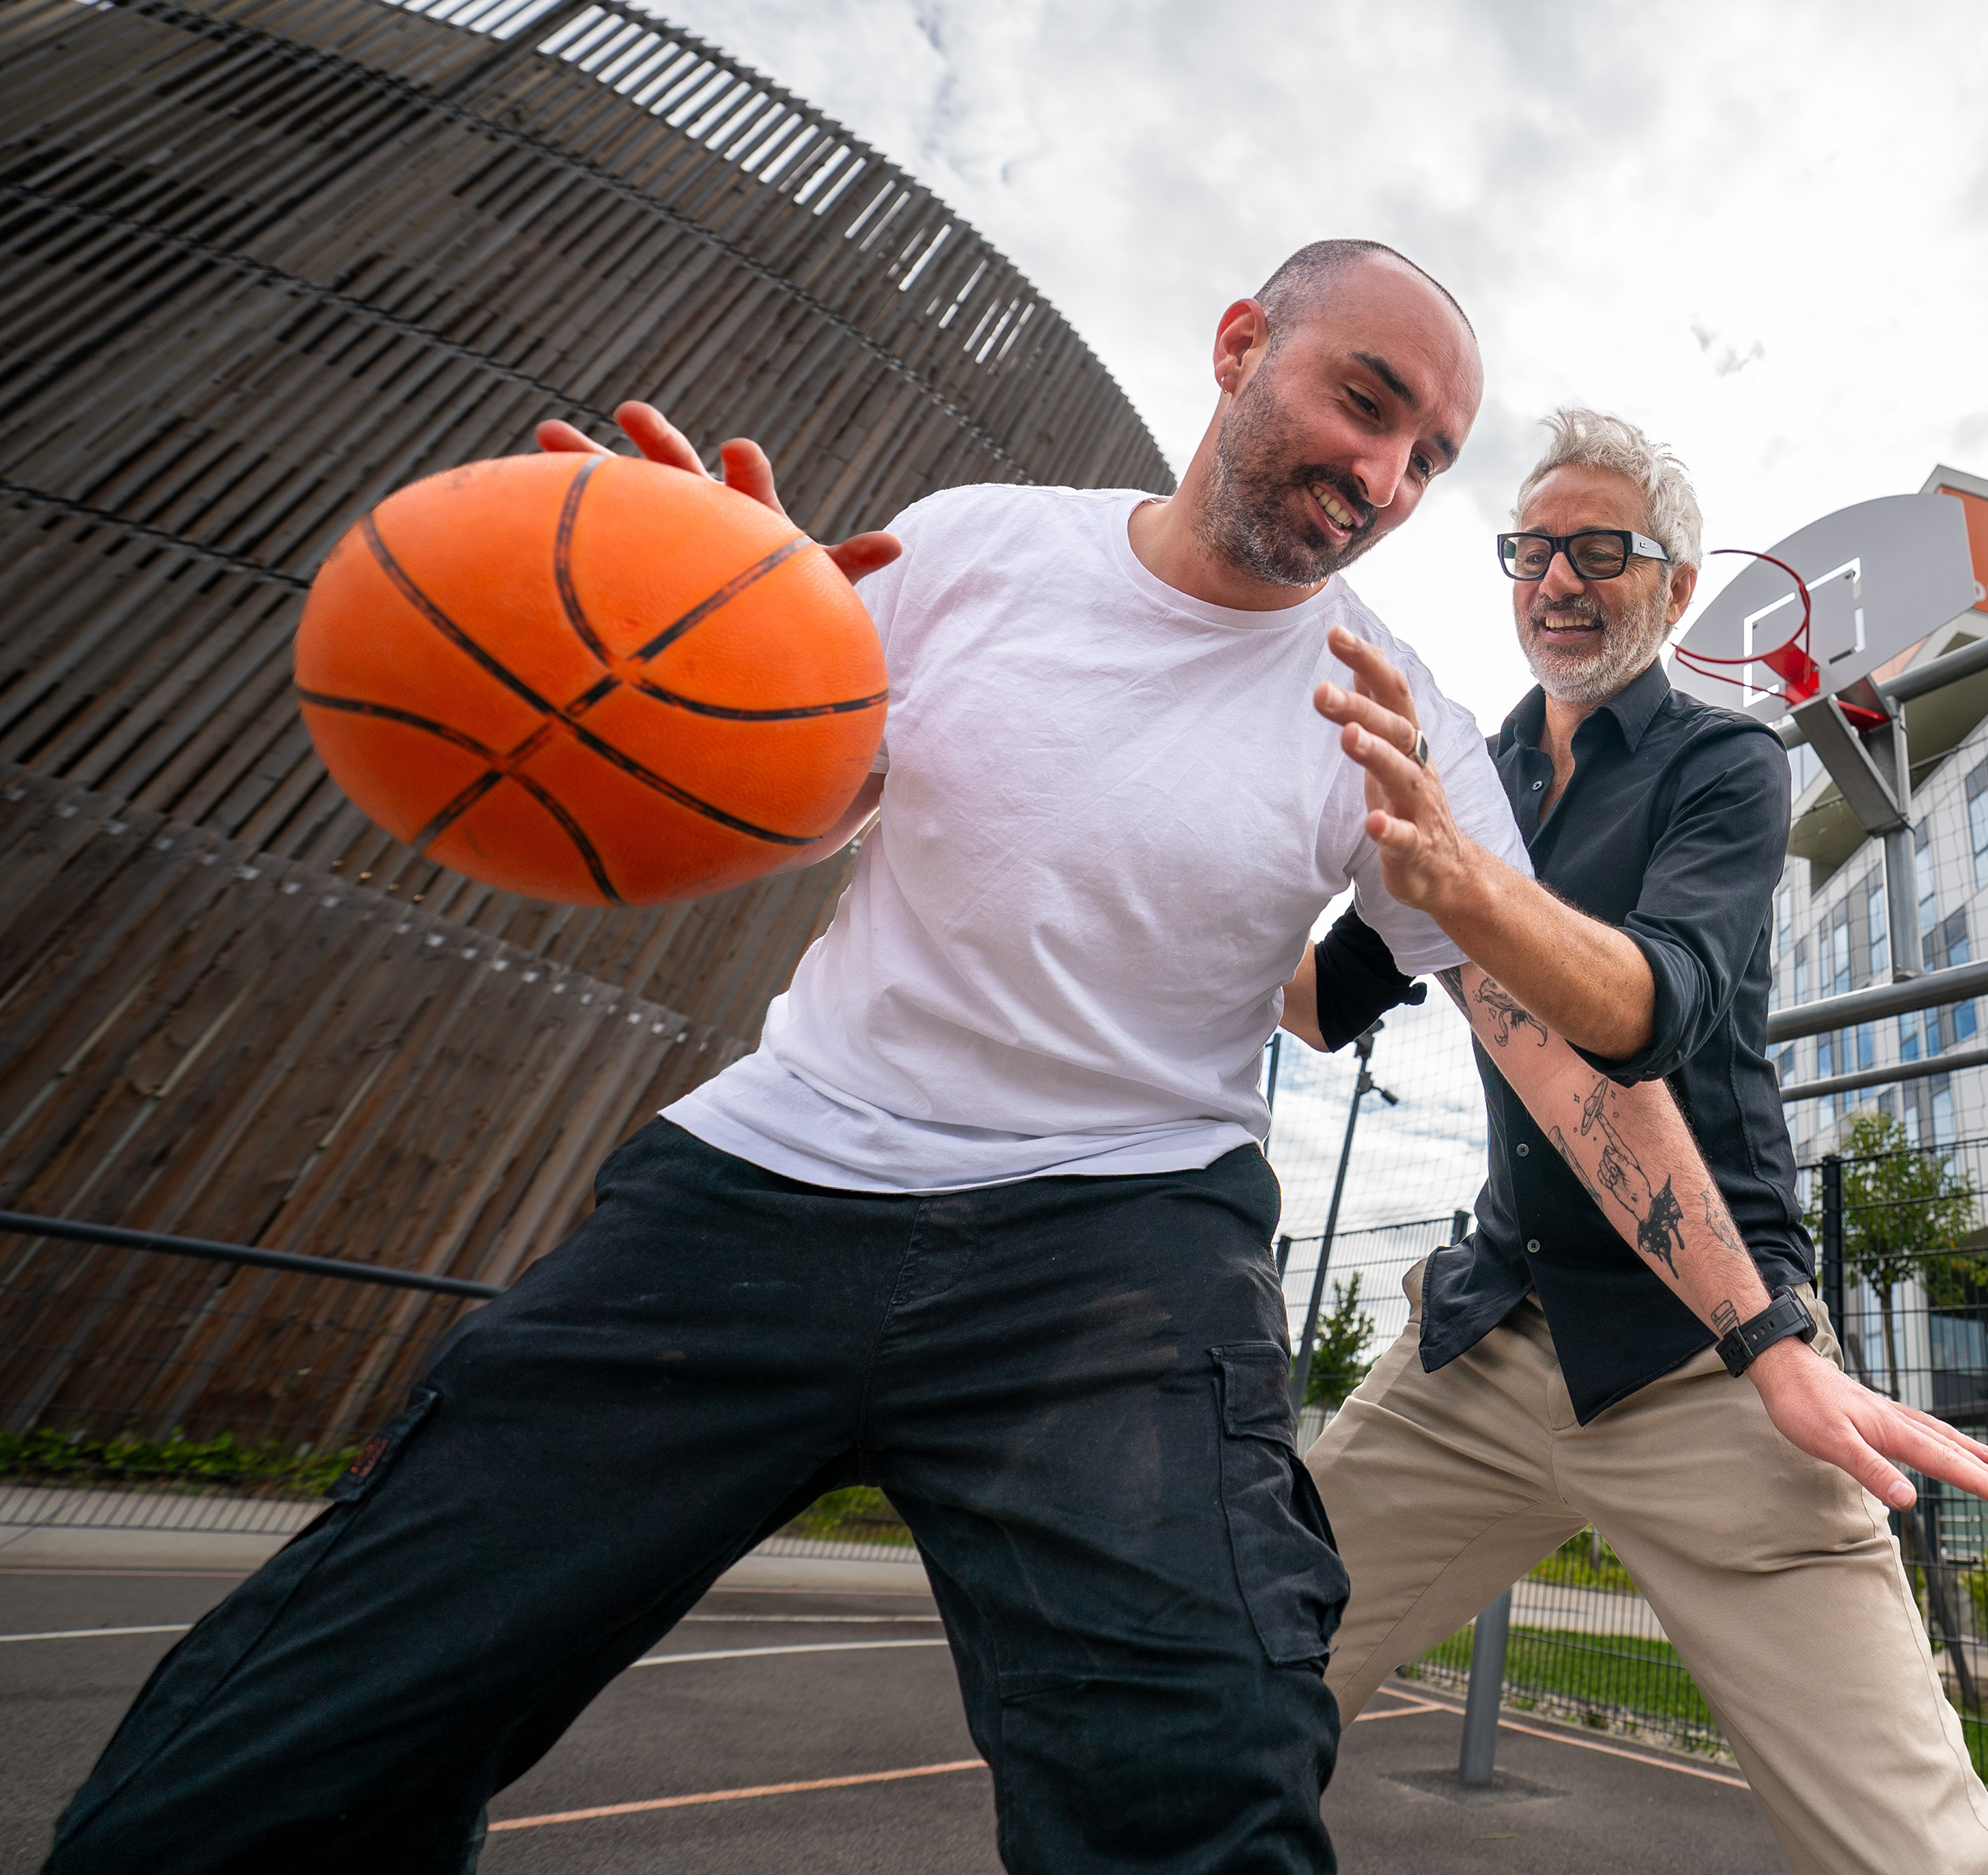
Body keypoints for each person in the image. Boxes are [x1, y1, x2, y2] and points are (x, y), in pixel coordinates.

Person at [48, 244, 1649, 1875]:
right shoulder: (974, 543)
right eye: (1362, 403)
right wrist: (686, 651)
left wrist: (1756, 1312)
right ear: (1240, 344)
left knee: (1197, 1780)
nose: (1382, 476)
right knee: (295, 1732)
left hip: (1121, 1242)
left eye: (1427, 458)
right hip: (768, 1176)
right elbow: (806, 797)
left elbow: (1574, 1026)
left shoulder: (1394, 712)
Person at [1288, 410, 1988, 1875]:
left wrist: (1460, 873)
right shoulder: (1473, 771)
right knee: (1228, 1686)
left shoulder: (1725, 763)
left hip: (1714, 1354)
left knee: (1919, 1858)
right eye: (1532, 549)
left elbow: (1650, 1012)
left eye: (1601, 550)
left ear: (1676, 587)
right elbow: (1319, 1006)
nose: (1557, 578)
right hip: (1491, 1338)